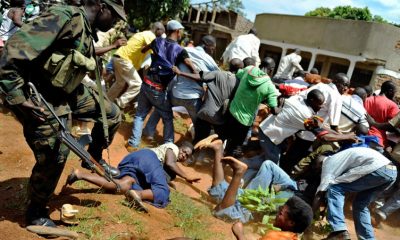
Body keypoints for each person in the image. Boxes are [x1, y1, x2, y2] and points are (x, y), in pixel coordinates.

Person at [0, 0, 126, 227]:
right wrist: (17, 97)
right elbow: (14, 48)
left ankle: (94, 157)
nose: (116, 21)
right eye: (115, 15)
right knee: (55, 151)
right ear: (100, 5)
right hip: (42, 94)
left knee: (112, 114)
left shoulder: (85, 27)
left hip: (68, 91)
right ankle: (35, 212)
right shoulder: (63, 17)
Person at [194, 135, 313, 233]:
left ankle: (218, 149)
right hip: (277, 192)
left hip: (280, 189)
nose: (279, 214)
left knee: (219, 193)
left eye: (281, 213)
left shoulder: (291, 226)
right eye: (280, 212)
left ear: (291, 223)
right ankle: (238, 173)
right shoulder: (281, 205)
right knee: (226, 213)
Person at [126, 20, 196, 152]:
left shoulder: (157, 41)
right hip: (159, 89)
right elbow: (190, 65)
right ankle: (168, 145)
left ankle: (133, 144)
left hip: (146, 84)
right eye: (180, 31)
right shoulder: (180, 50)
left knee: (140, 114)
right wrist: (197, 74)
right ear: (177, 31)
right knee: (167, 117)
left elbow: (143, 50)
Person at [66, 142, 199, 209]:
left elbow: (160, 172)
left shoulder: (170, 162)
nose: (183, 155)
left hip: (133, 160)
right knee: (164, 192)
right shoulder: (172, 148)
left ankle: (79, 175)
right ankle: (138, 195)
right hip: (148, 158)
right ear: (179, 147)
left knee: (123, 185)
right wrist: (187, 176)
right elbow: (170, 163)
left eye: (187, 156)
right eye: (184, 151)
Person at [142, 35, 220, 139]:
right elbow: (218, 77)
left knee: (161, 107)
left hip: (174, 92)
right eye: (213, 48)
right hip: (193, 98)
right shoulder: (209, 60)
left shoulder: (183, 49)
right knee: (199, 123)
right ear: (207, 45)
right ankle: (196, 145)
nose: (213, 51)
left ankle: (148, 132)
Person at [314, 148, 397, 240]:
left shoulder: (327, 164)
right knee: (360, 205)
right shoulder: (340, 157)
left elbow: (320, 194)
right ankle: (367, 238)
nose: (318, 172)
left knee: (335, 188)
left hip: (378, 168)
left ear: (319, 164)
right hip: (392, 172)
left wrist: (310, 215)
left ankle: (339, 231)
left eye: (317, 169)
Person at [170, 58, 242, 144]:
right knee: (220, 141)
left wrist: (180, 73)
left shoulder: (217, 74)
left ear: (229, 66)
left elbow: (199, 76)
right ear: (240, 70)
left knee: (198, 141)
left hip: (204, 114)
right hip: (220, 119)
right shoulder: (239, 83)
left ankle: (193, 154)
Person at [107, 22, 165, 109]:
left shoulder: (142, 34)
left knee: (119, 83)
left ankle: (105, 102)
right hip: (124, 59)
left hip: (118, 57)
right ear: (158, 30)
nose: (162, 35)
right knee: (137, 84)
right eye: (162, 32)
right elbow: (158, 50)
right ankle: (119, 104)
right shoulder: (150, 35)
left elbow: (143, 50)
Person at [257, 89, 325, 164]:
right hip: (269, 136)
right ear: (312, 100)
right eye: (319, 104)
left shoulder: (297, 98)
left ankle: (248, 165)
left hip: (266, 128)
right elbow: (319, 131)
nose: (321, 106)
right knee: (272, 165)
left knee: (265, 158)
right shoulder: (305, 115)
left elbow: (282, 98)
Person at [224, 65, 279, 157]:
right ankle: (225, 163)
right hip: (244, 121)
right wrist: (281, 105)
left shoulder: (249, 69)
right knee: (236, 145)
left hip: (231, 111)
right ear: (271, 70)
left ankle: (221, 154)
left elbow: (237, 75)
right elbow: (274, 110)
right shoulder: (270, 86)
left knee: (228, 138)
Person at [364, 80, 399, 148]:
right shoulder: (392, 105)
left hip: (361, 135)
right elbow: (393, 126)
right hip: (377, 140)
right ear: (390, 91)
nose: (394, 95)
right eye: (394, 92)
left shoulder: (367, 100)